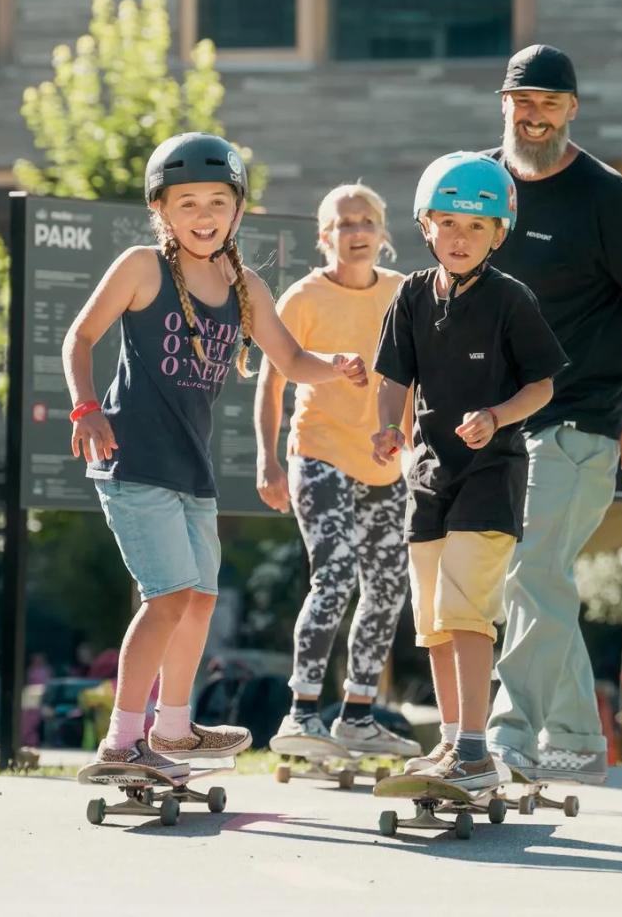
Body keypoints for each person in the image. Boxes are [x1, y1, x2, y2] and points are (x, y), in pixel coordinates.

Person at [65, 131, 369, 777]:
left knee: (201, 598)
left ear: (237, 209)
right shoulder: (141, 267)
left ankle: (174, 730)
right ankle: (121, 741)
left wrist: (337, 367)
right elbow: (79, 336)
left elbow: (289, 358)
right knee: (168, 596)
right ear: (162, 211)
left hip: (191, 469)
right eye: (187, 204)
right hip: (132, 460)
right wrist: (86, 407)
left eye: (216, 202)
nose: (203, 216)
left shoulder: (243, 283)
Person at [483, 45, 622, 786]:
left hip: (580, 417)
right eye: (522, 103)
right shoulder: (477, 184)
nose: (534, 118)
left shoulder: (605, 195)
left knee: (533, 573)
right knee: (535, 578)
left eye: (549, 105)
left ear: (572, 110)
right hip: (495, 420)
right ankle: (576, 740)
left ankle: (506, 735)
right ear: (503, 102)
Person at [369, 151, 568, 792]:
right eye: (448, 223)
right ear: (425, 225)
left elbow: (542, 385)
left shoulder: (512, 300)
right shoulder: (408, 294)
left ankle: (478, 751)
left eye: (476, 227)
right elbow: (394, 376)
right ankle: (454, 743)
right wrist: (385, 429)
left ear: (499, 234)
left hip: (492, 472)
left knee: (465, 611)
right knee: (431, 621)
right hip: (427, 473)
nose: (460, 237)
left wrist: (498, 415)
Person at [255, 183, 419, 758]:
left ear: (382, 233)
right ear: (325, 237)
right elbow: (273, 380)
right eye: (344, 224)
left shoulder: (405, 292)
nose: (355, 233)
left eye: (366, 221)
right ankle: (301, 714)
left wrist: (412, 443)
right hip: (318, 451)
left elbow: (422, 374)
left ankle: (356, 714)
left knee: (388, 586)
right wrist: (268, 460)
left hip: (383, 461)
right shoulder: (302, 297)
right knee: (337, 573)